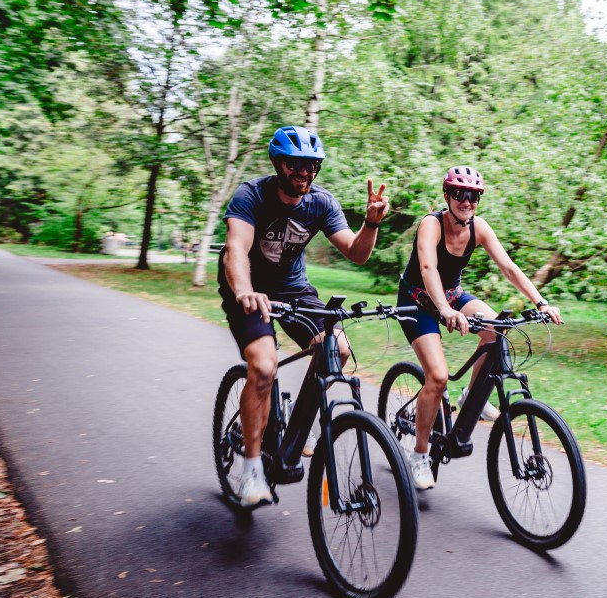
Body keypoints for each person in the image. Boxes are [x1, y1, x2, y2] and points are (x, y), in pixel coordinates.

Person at [219, 125, 389, 506]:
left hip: (293, 288)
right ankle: (251, 470)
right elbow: (236, 249)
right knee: (264, 367)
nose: (304, 172)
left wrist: (371, 223)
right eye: (295, 165)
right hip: (247, 287)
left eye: (311, 165)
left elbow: (357, 253)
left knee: (337, 349)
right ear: (278, 164)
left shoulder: (320, 203)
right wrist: (244, 290)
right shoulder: (251, 195)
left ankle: (297, 417)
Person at [396, 165, 561, 490]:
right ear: (447, 195)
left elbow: (508, 267)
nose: (467, 201)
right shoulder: (432, 224)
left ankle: (471, 395)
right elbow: (428, 267)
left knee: (496, 330)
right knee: (437, 377)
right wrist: (444, 310)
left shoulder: (478, 228)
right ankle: (419, 455)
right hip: (417, 302)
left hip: (452, 296)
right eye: (460, 194)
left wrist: (541, 302)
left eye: (473, 196)